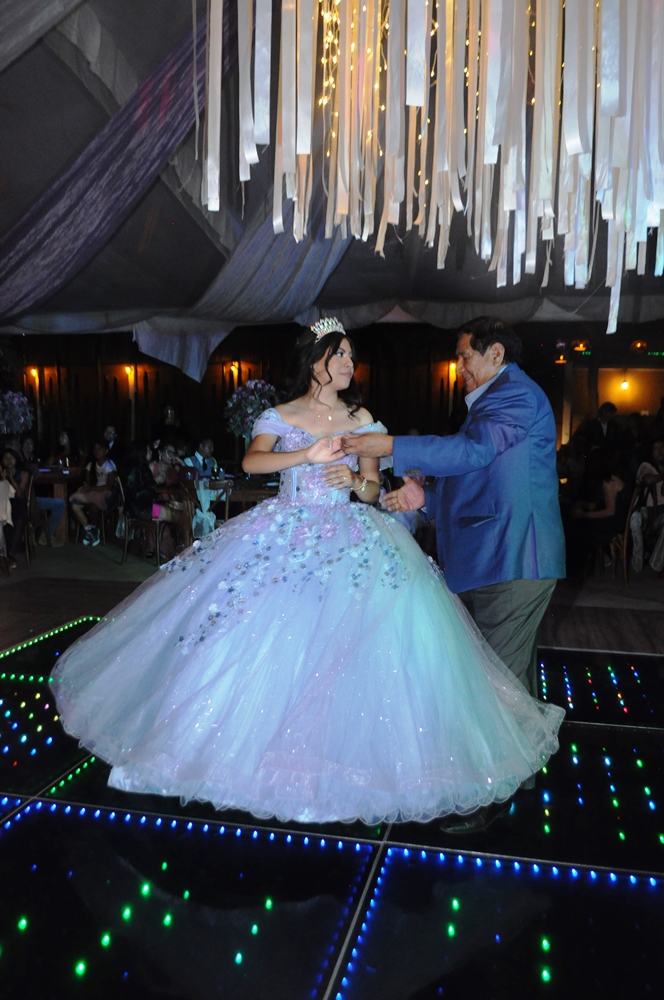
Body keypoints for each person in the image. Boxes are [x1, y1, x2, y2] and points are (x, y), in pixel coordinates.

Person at [50, 319, 563, 828]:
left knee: (373, 649)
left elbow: (375, 488)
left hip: (358, 538)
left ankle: (496, 777)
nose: (349, 363)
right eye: (340, 354)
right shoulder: (280, 414)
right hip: (285, 535)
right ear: (315, 360)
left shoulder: (365, 418)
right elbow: (252, 462)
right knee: (260, 639)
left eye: (351, 356)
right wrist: (308, 454)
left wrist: (357, 481)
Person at [343, 317, 566, 830]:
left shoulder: (513, 395)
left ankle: (489, 796)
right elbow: (477, 477)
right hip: (499, 555)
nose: (458, 366)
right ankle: (520, 776)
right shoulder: (491, 403)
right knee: (510, 677)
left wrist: (389, 446)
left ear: (495, 354)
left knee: (493, 683)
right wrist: (425, 497)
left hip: (515, 555)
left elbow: (472, 452)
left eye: (465, 356)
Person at [69, 441, 117, 547]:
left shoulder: (109, 465)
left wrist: (91, 489)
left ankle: (93, 528)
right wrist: (89, 488)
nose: (96, 451)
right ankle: (90, 530)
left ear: (106, 451)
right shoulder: (91, 465)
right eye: (95, 449)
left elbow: (109, 486)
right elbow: (88, 483)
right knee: (74, 506)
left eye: (99, 449)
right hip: (92, 493)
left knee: (95, 504)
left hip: (105, 495)